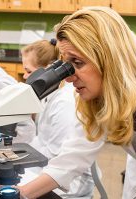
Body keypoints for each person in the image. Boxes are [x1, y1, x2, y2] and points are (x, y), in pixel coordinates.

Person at [17, 7, 136, 199]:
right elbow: (73, 157)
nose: (68, 79)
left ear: (109, 59)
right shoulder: (98, 91)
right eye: (66, 65)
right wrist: (21, 193)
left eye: (77, 63)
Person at [20, 39, 97, 198]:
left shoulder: (65, 101)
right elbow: (43, 142)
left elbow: (60, 156)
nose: (25, 76)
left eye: (28, 71)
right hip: (57, 168)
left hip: (73, 183)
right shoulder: (50, 96)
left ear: (47, 71)